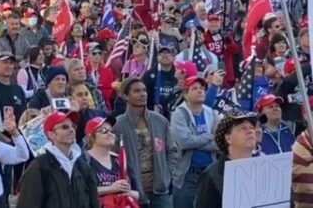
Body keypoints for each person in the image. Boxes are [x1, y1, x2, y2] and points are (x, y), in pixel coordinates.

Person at [114, 77, 178, 208]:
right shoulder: (118, 124)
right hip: (132, 191)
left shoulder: (160, 121)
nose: (142, 94)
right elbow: (113, 157)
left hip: (159, 190)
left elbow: (172, 151)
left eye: (144, 90)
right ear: (125, 96)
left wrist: (166, 175)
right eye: (136, 91)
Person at [17, 110, 99, 208]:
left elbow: (93, 203)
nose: (71, 130)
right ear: (51, 135)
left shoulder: (84, 167)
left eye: (73, 126)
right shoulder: (38, 168)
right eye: (65, 127)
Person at [170, 76, 218, 208]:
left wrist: (197, 141)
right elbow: (185, 142)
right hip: (187, 174)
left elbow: (219, 143)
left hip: (210, 173)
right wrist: (209, 136)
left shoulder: (212, 113)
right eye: (195, 88)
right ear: (186, 94)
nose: (200, 91)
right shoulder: (179, 114)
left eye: (202, 88)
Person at [195, 111, 259, 208]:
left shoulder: (264, 169)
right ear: (228, 138)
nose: (250, 131)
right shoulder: (212, 175)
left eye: (251, 128)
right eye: (243, 128)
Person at [84, 117, 140, 207]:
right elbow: (81, 192)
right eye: (103, 131)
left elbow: (138, 193)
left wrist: (128, 192)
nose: (109, 134)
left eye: (111, 131)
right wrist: (110, 189)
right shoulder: (84, 160)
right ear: (90, 136)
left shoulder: (120, 159)